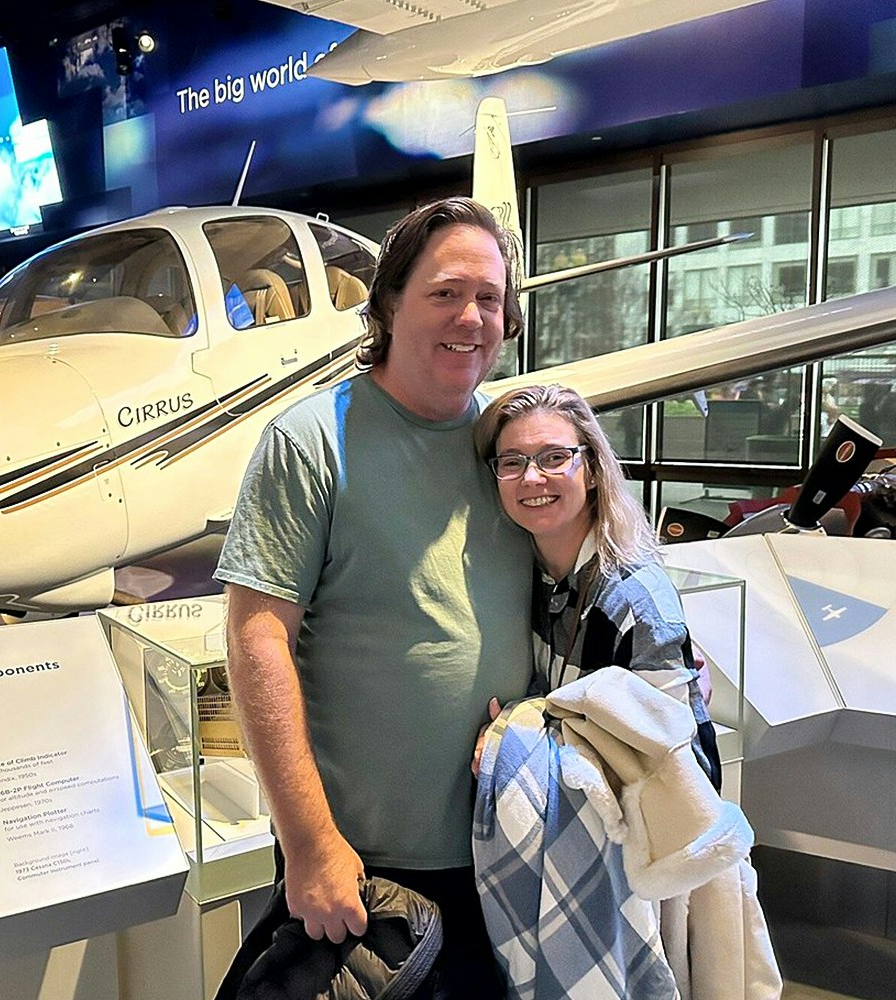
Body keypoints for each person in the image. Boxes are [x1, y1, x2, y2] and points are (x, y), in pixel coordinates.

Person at [213, 197, 533, 998]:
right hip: (362, 874)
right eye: (445, 293)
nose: (471, 317)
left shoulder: (514, 447)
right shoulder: (312, 440)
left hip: (507, 853)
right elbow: (258, 641)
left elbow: (587, 573)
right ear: (389, 303)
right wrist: (310, 843)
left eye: (489, 299)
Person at [471, 383, 719, 788]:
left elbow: (685, 772)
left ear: (593, 471)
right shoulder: (527, 579)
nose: (532, 478)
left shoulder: (633, 598)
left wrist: (512, 746)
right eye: (512, 462)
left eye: (555, 458)